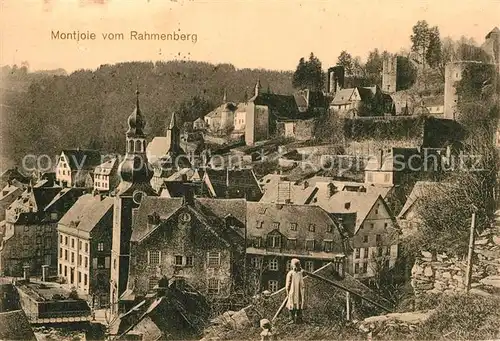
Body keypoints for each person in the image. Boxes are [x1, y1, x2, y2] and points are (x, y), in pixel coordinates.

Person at [285, 258, 305, 324]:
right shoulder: (299, 273)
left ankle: (293, 319)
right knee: (298, 304)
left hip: (294, 292)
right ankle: (298, 319)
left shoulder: (291, 273)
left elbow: (288, 284)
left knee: (292, 304)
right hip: (297, 292)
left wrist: (287, 292)